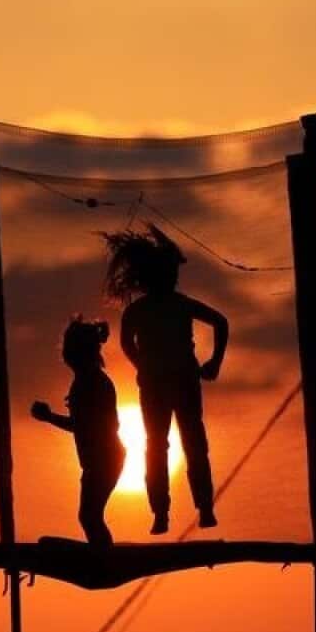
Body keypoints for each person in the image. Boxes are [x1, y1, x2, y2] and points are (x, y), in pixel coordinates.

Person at [103, 224, 228, 535]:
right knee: (163, 446)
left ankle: (202, 508)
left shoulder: (174, 305)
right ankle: (163, 513)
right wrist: (142, 366)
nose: (174, 278)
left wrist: (214, 362)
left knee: (186, 443)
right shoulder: (142, 311)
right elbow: (127, 344)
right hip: (162, 384)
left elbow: (221, 322)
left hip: (180, 381)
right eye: (170, 273)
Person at [31, 316, 125, 546]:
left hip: (105, 459)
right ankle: (101, 553)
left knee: (89, 516)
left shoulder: (93, 382)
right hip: (99, 460)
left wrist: (49, 417)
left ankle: (103, 557)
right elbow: (82, 425)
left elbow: (84, 426)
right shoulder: (86, 381)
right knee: (90, 517)